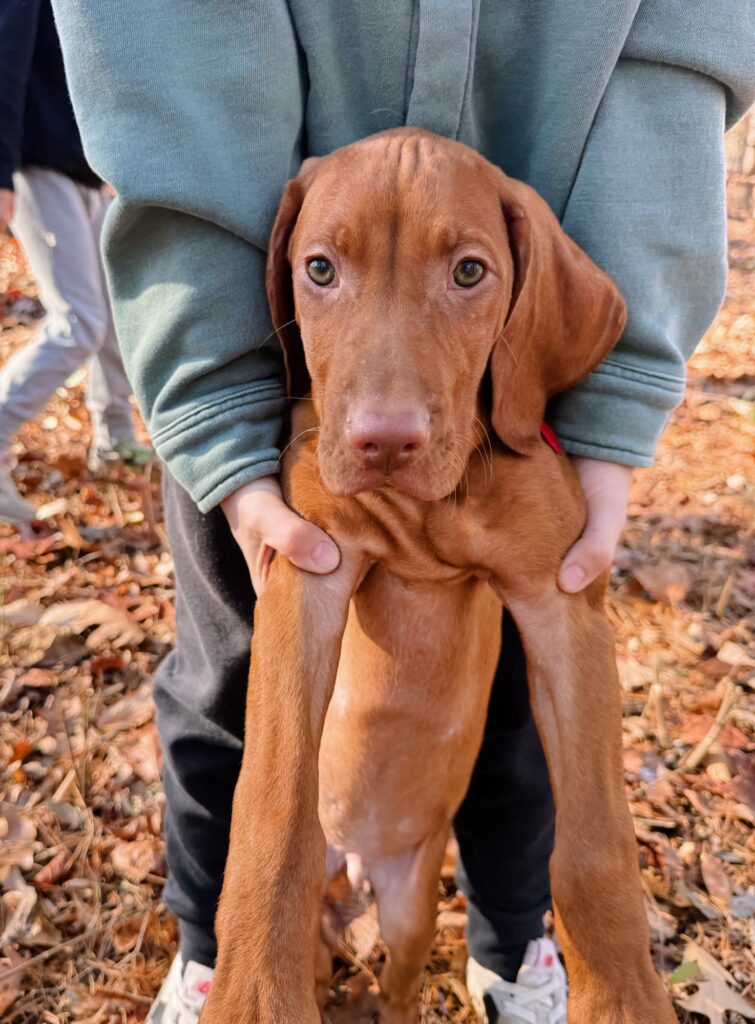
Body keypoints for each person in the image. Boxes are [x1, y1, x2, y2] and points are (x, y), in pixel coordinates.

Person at [51, 4, 754, 1023]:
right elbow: (156, 36)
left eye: (462, 269)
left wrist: (618, 384)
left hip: (516, 330)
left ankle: (517, 943)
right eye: (320, 273)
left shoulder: (513, 288)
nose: (383, 424)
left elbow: (674, 48)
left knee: (510, 699)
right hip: (248, 326)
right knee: (225, 672)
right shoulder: (293, 316)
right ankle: (219, 952)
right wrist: (213, 384)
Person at [0, 0, 150, 525]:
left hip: (83, 171)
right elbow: (7, 56)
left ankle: (115, 440)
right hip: (35, 165)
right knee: (79, 322)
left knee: (112, 314)